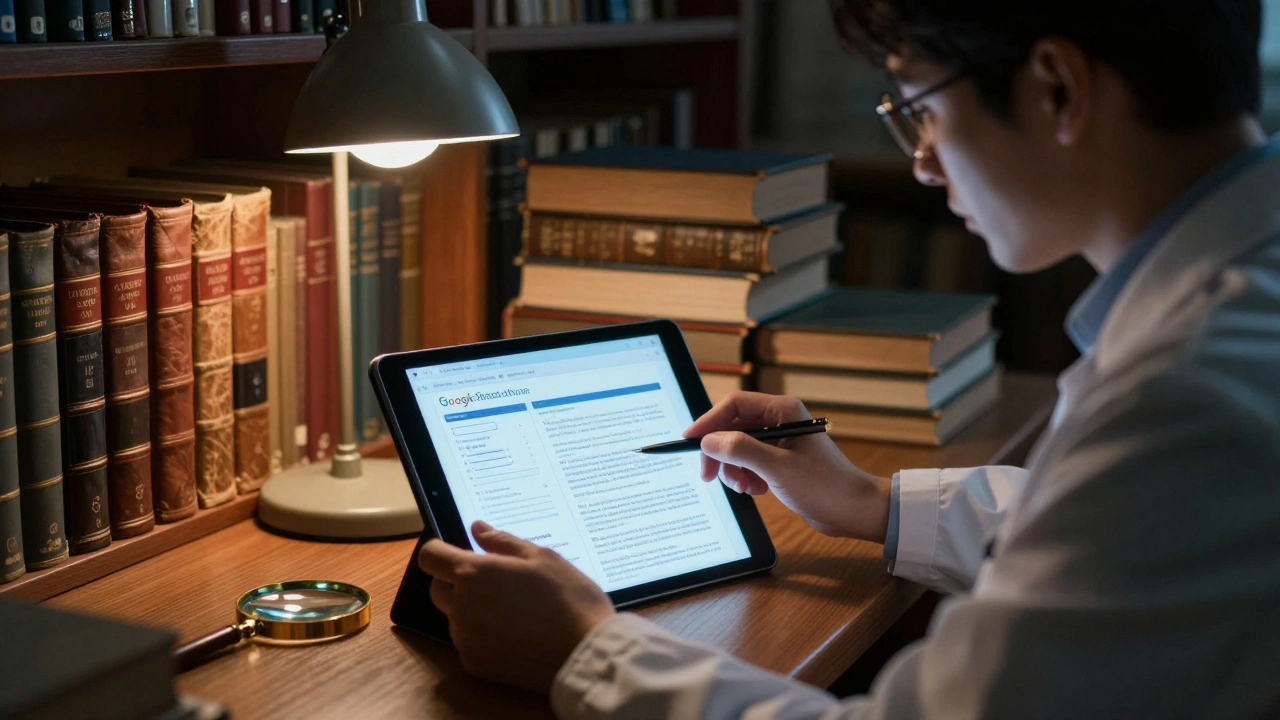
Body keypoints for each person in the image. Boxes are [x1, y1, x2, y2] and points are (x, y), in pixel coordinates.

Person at [419, 1, 1280, 716]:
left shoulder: (1189, 393)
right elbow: (1117, 539)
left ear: (1057, 88)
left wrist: (588, 650)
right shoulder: (1229, 317)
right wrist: (869, 502)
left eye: (923, 107)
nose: (922, 163)